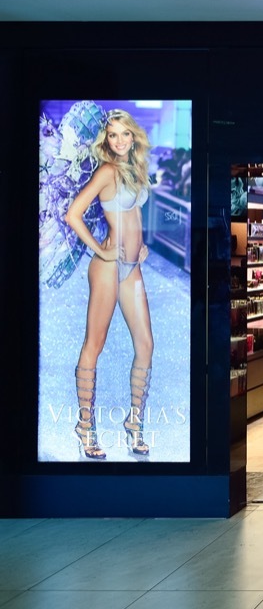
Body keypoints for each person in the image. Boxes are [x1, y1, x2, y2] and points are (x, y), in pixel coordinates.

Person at [64, 109, 155, 459]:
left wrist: (140, 245)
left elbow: (132, 215)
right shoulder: (106, 171)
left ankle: (134, 423)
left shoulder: (134, 169)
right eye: (112, 135)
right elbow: (73, 213)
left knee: (145, 345)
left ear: (133, 137)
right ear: (107, 140)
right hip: (108, 268)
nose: (119, 141)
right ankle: (85, 426)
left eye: (124, 134)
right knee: (94, 345)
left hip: (132, 267)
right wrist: (100, 252)